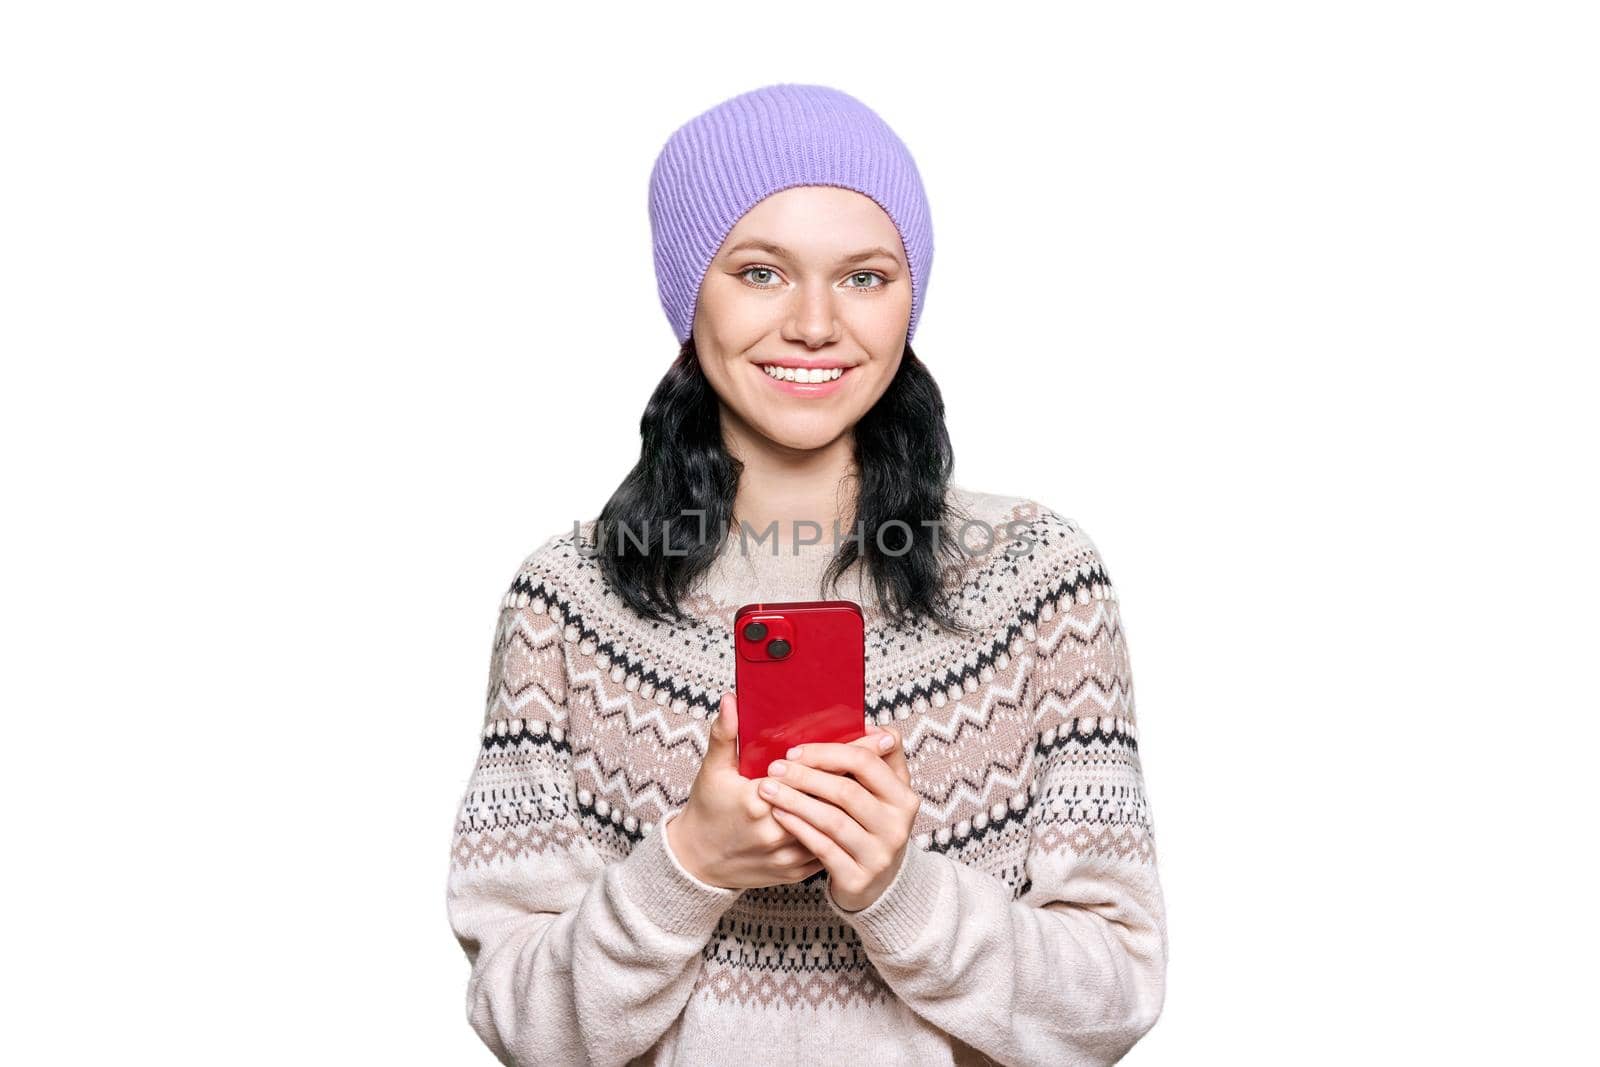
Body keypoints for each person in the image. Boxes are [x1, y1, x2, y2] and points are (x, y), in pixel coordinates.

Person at [445, 82, 1167, 1066]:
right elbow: (524, 1025)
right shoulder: (565, 599)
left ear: (911, 297)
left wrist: (896, 889)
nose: (817, 324)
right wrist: (689, 863)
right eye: (760, 272)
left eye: (865, 277)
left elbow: (1111, 998)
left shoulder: (1036, 576)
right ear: (686, 289)